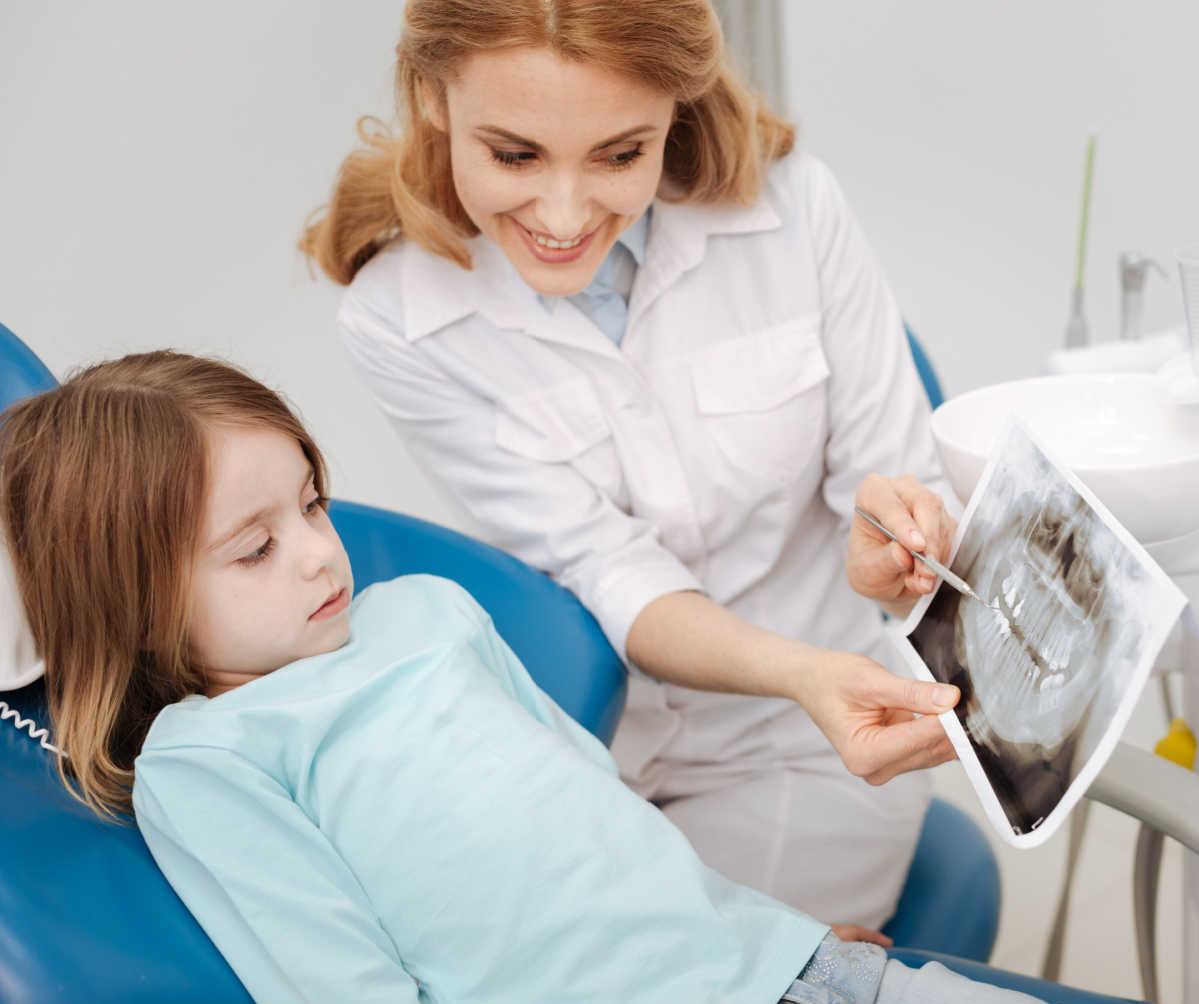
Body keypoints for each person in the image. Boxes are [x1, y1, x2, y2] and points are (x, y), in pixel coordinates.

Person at [0, 351, 1199, 1004]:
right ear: (139, 606)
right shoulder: (212, 761)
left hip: (808, 973)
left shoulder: (423, 611)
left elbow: (592, 813)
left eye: (311, 505)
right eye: (253, 549)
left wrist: (751, 925)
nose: (322, 555)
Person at [302, 0, 965, 929]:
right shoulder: (397, 316)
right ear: (434, 98)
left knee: (714, 997)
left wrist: (890, 550)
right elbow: (606, 567)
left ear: (676, 112)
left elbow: (891, 476)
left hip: (810, 735)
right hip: (587, 746)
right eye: (515, 155)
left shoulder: (794, 211)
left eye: (621, 155)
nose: (566, 214)